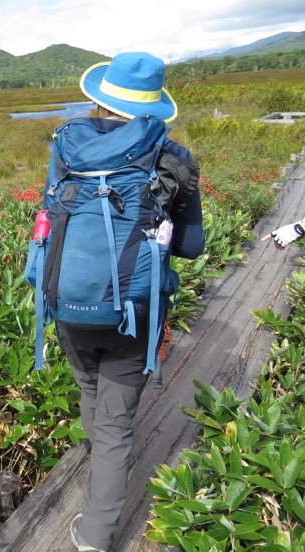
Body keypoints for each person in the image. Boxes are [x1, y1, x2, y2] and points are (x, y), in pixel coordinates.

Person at [44, 52, 206, 552]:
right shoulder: (174, 157)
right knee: (115, 424)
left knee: (89, 388)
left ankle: (100, 466)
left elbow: (53, 213)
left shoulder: (69, 145)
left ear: (100, 98)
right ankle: (95, 537)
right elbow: (191, 247)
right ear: (155, 105)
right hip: (134, 310)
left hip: (69, 298)